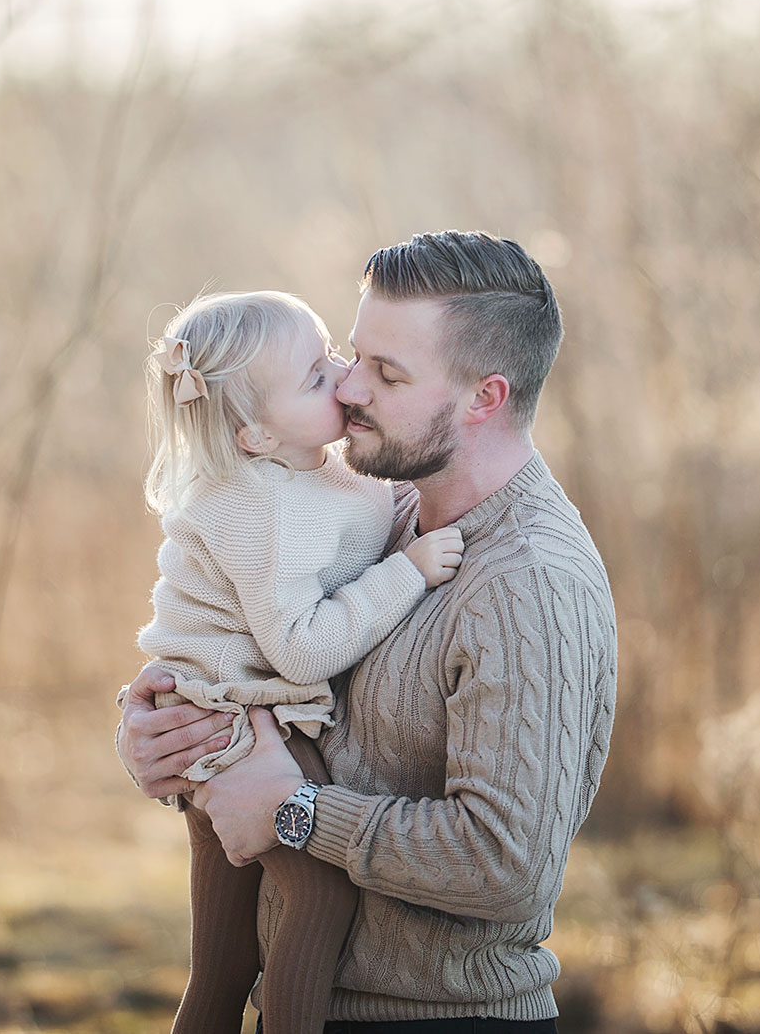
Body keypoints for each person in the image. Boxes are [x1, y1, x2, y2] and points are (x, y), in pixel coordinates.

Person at [118, 230, 618, 1033]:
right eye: (353, 355)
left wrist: (298, 812)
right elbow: (272, 680)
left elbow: (508, 865)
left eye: (386, 373)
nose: (349, 388)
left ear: (483, 398)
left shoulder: (529, 582)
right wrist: (163, 736)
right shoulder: (379, 510)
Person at [135, 289, 468, 1034]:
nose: (346, 378)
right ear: (254, 435)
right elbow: (302, 645)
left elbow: (364, 510)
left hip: (229, 706)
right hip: (225, 721)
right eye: (318, 376)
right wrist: (407, 571)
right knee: (319, 892)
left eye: (335, 355)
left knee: (223, 954)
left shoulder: (313, 468)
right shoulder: (261, 508)